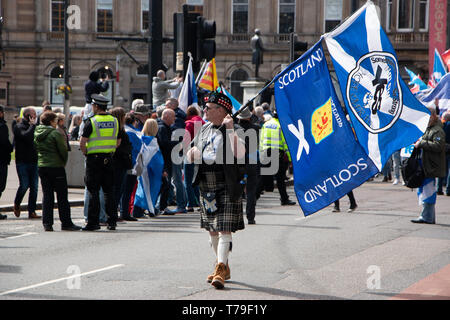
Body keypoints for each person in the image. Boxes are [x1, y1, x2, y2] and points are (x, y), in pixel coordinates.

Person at [186, 91, 246, 290]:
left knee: (223, 228)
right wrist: (192, 153)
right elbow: (189, 153)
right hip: (207, 183)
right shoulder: (204, 130)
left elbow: (240, 153)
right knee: (212, 229)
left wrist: (229, 130)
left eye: (209, 109)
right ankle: (224, 266)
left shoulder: (235, 128)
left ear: (221, 111)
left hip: (226, 182)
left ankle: (220, 268)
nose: (205, 111)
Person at [34, 111, 81, 231]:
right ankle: (66, 223)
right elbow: (63, 150)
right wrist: (63, 162)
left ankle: (47, 223)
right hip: (56, 166)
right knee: (62, 196)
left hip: (42, 166)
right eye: (55, 121)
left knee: (47, 195)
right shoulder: (55, 133)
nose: (56, 123)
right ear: (51, 122)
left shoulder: (37, 132)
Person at [80, 94, 120, 231]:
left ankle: (93, 222)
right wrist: (110, 149)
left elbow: (83, 142)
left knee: (93, 191)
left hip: (94, 160)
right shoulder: (115, 120)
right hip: (109, 159)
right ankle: (112, 221)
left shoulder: (91, 121)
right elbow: (118, 140)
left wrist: (86, 153)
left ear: (96, 106)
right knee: (109, 191)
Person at [411, 106, 446, 224]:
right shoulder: (429, 128)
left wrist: (422, 143)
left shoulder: (437, 130)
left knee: (428, 191)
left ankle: (427, 217)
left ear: (432, 116)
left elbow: (438, 146)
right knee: (424, 190)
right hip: (426, 164)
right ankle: (427, 215)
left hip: (431, 165)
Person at [258, 110, 296, 206]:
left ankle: (254, 197)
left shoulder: (266, 124)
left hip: (265, 152)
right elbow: (285, 143)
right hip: (277, 153)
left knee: (264, 177)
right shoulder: (281, 125)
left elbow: (261, 140)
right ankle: (284, 199)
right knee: (280, 179)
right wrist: (290, 159)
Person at [12, 107, 41, 219]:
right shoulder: (18, 127)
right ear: (27, 116)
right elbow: (27, 137)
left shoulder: (34, 127)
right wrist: (32, 126)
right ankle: (17, 203)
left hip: (33, 161)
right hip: (22, 161)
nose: (35, 116)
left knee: (34, 187)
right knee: (24, 185)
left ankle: (32, 211)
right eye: (33, 115)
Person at [237, 106, 261, 224]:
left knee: (236, 190)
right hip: (251, 161)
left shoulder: (235, 129)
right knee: (251, 190)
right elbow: (256, 119)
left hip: (238, 162)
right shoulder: (255, 128)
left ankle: (236, 216)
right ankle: (250, 217)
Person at [110, 107, 135, 221]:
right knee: (117, 189)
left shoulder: (120, 129)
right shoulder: (117, 130)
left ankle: (114, 212)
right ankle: (113, 213)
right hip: (118, 162)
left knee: (120, 189)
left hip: (122, 162)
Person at [165, 98, 187, 214]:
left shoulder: (177, 120)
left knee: (177, 179)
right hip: (175, 151)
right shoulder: (179, 117)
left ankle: (181, 205)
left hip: (175, 152)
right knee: (175, 179)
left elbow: (176, 136)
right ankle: (176, 203)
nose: (165, 107)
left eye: (167, 105)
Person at [183, 105, 205, 212]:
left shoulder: (189, 124)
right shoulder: (204, 123)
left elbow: (186, 140)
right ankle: (201, 203)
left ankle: (191, 203)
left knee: (188, 180)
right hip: (201, 153)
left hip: (190, 153)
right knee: (198, 179)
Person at [156, 109, 177, 215]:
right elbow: (164, 144)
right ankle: (160, 207)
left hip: (165, 160)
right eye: (173, 116)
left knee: (165, 184)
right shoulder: (162, 128)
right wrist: (176, 143)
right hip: (163, 160)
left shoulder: (165, 127)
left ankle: (160, 206)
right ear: (166, 116)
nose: (174, 119)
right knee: (164, 184)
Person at [79, 71, 109, 136]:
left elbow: (95, 86)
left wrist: (100, 82)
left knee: (85, 119)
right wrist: (106, 81)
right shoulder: (96, 84)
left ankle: (80, 133)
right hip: (95, 105)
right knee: (94, 119)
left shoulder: (86, 83)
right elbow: (103, 89)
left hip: (87, 104)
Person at [0, 105, 13, 220]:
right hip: (1, 160)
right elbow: (4, 142)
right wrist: (10, 148)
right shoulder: (2, 126)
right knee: (0, 186)